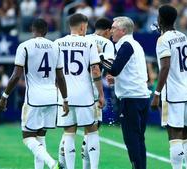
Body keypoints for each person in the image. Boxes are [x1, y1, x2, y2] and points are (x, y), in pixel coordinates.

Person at [0, 18, 68, 169]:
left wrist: (4, 97)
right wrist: (65, 100)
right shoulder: (55, 47)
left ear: (32, 29)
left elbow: (16, 75)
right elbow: (60, 77)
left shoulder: (25, 46)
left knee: (28, 138)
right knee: (40, 137)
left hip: (34, 99)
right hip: (52, 97)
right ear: (46, 31)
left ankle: (52, 163)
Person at [100, 16, 150, 169]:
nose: (111, 31)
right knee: (139, 138)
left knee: (131, 139)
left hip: (131, 99)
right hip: (141, 97)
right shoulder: (134, 44)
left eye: (114, 28)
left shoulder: (126, 44)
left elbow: (114, 68)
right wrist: (117, 80)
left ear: (122, 31)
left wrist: (99, 55)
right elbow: (133, 72)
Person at [150, 4, 187, 169]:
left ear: (160, 19)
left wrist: (156, 93)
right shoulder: (182, 36)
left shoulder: (162, 40)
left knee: (174, 134)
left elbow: (165, 67)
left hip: (173, 93)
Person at [55, 14, 104, 169]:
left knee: (69, 132)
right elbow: (95, 71)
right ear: (83, 26)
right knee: (91, 130)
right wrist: (101, 94)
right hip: (85, 95)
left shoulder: (57, 43)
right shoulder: (89, 43)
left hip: (64, 95)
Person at [81, 17, 114, 169]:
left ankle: (63, 165)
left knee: (70, 130)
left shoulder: (83, 39)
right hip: (92, 91)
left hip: (75, 89)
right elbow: (110, 65)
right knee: (92, 130)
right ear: (107, 31)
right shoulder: (107, 43)